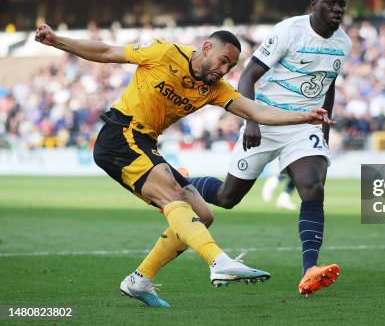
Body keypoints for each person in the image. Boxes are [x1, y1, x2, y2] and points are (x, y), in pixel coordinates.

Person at [34, 24, 331, 308]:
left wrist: (303, 117)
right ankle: (219, 262)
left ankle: (140, 279)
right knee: (172, 196)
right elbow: (108, 52)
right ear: (205, 47)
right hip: (120, 135)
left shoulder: (215, 88)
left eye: (230, 67)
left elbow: (254, 109)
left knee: (203, 214)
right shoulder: (165, 54)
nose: (224, 70)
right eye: (223, 61)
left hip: (144, 144)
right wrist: (58, 40)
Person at [179, 0, 351, 296]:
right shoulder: (288, 31)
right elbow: (247, 76)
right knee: (228, 197)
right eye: (331, 2)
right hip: (265, 119)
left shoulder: (343, 43)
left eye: (342, 4)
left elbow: (329, 84)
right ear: (314, 4)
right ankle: (182, 182)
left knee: (313, 187)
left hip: (303, 125)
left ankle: (309, 269)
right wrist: (251, 119)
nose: (338, 9)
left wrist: (323, 129)